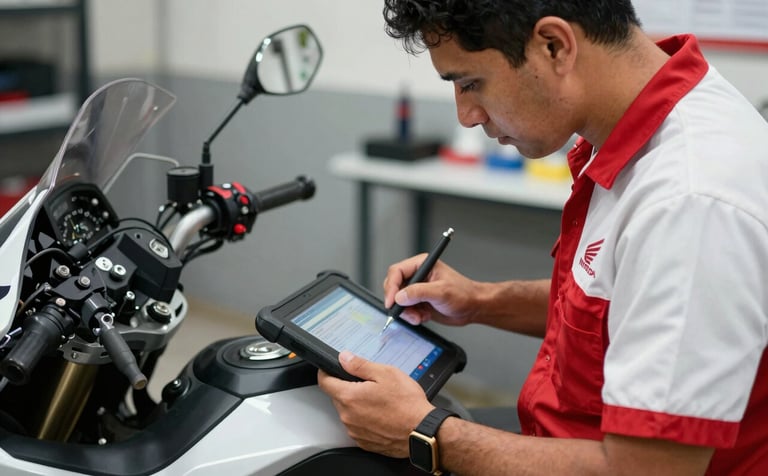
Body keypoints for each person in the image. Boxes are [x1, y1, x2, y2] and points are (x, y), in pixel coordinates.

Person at [317, 0, 768, 474]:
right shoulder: (640, 126)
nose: (467, 115)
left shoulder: (689, 200)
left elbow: (646, 470)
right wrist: (479, 300)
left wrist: (426, 432)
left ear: (554, 46)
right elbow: (619, 307)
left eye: (471, 83)